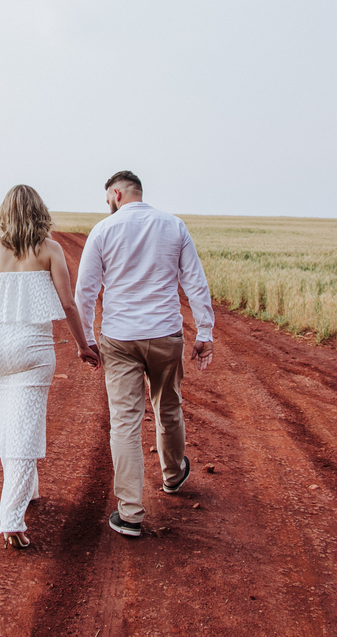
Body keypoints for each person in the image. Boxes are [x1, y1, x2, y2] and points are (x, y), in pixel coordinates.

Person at [74, 170, 215, 538]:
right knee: (169, 406)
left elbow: (85, 292)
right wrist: (205, 332)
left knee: (124, 421)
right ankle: (172, 475)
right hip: (166, 334)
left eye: (108, 198)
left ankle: (131, 513)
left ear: (117, 194)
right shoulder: (174, 225)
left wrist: (85, 340)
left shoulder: (103, 231)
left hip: (120, 339)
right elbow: (195, 282)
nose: (108, 204)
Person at [0, 185, 100, 549]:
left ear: (4, 215)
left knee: (9, 421)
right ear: (39, 212)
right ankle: (11, 519)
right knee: (24, 433)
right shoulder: (50, 250)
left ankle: (27, 490)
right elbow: (69, 305)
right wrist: (83, 346)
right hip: (31, 348)